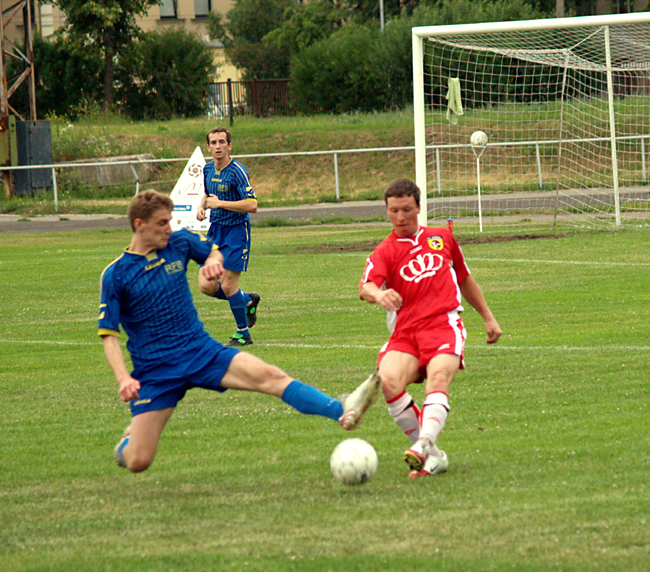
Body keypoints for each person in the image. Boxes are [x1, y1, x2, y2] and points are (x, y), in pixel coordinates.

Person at [100, 190, 381, 474]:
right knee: (138, 461)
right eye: (162, 223)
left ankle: (340, 409)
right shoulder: (116, 275)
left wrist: (213, 260)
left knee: (270, 376)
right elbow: (109, 335)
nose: (169, 229)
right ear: (139, 225)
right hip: (157, 372)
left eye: (170, 221)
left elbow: (212, 249)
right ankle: (128, 442)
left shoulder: (179, 242)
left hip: (200, 351)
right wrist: (123, 378)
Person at [359, 178, 502, 479]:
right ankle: (433, 455)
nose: (400, 217)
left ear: (419, 207)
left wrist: (488, 317)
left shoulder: (442, 237)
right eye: (393, 211)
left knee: (438, 379)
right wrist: (379, 295)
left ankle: (423, 445)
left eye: (406, 209)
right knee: (389, 381)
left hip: (443, 325)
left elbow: (464, 278)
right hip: (405, 332)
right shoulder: (384, 251)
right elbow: (366, 287)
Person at [196, 127, 260, 347]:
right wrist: (202, 206)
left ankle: (243, 334)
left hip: (236, 232)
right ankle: (248, 300)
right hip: (215, 231)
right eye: (213, 143)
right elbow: (208, 194)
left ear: (229, 146)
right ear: (208, 147)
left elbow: (252, 205)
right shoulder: (207, 169)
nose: (218, 146)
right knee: (206, 285)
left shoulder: (237, 171)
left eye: (222, 142)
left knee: (228, 284)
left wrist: (220, 204)